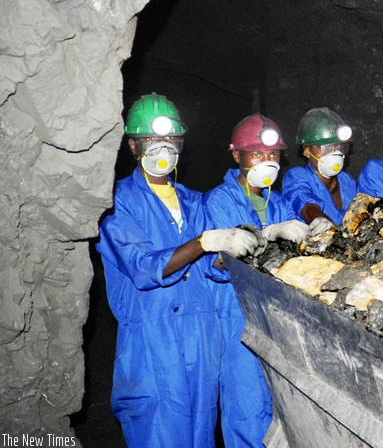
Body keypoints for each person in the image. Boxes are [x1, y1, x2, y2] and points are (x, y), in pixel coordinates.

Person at [96, 93, 262, 448]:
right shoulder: (119, 201)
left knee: (201, 434)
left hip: (202, 335)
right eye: (152, 141)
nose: (162, 149)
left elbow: (213, 268)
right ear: (133, 145)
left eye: (170, 141)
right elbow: (143, 268)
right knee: (157, 432)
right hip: (153, 339)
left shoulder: (193, 201)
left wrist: (252, 241)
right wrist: (203, 242)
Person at [202, 113, 310, 447]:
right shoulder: (218, 199)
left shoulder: (278, 203)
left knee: (283, 417)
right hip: (239, 323)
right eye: (257, 154)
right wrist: (269, 234)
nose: (268, 162)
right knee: (247, 415)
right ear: (237, 156)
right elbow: (219, 263)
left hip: (279, 322)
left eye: (274, 155)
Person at [282, 107, 358, 229]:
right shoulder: (297, 177)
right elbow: (309, 210)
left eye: (340, 146)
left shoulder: (347, 181)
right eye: (327, 147)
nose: (336, 152)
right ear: (306, 150)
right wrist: (327, 226)